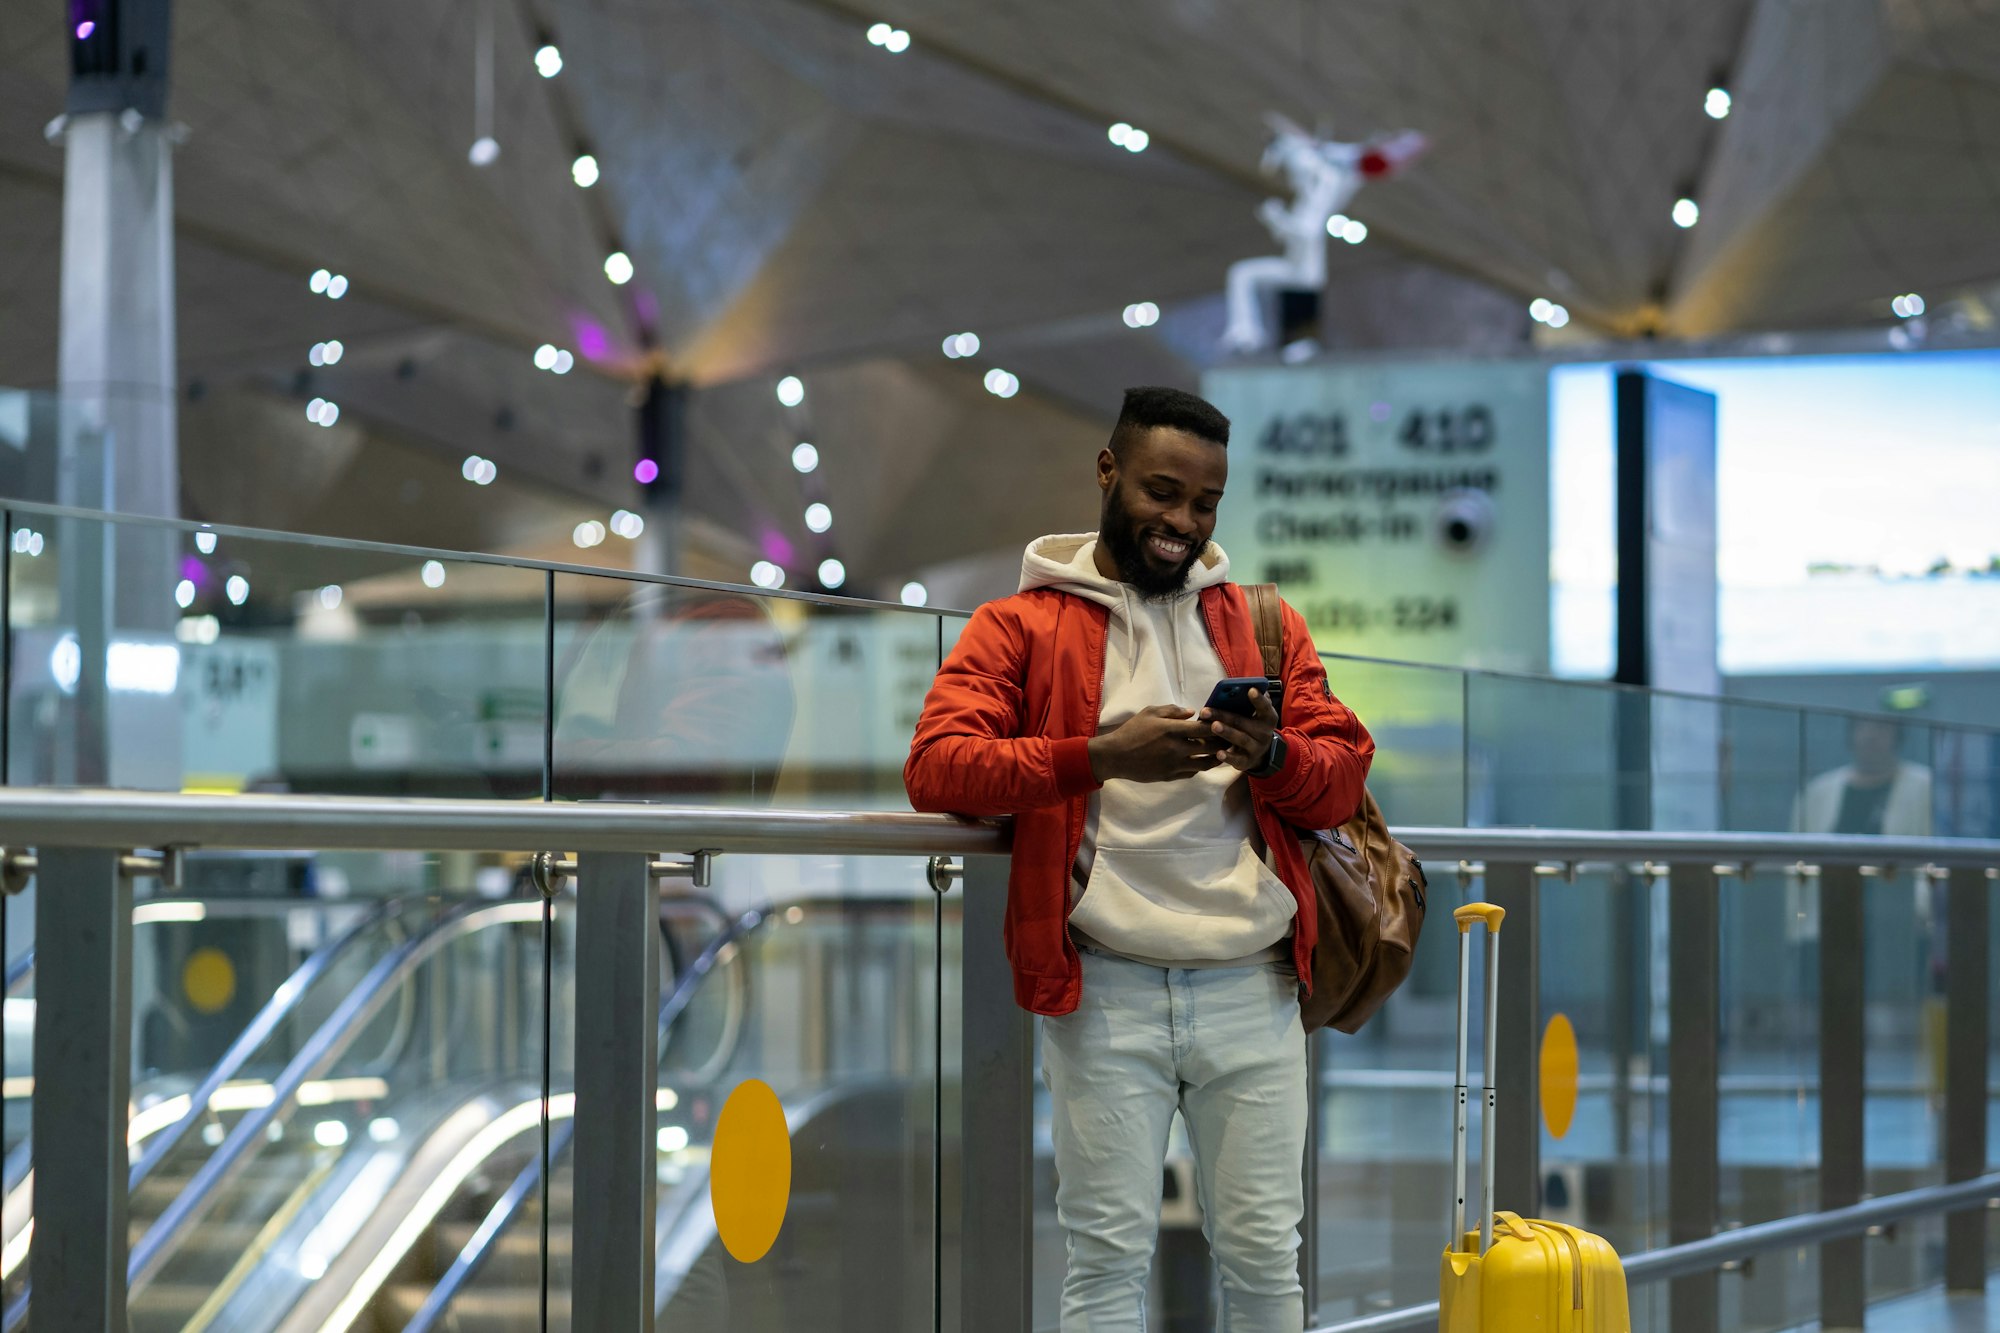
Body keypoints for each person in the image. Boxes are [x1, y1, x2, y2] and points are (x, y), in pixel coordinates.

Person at [904, 386, 1373, 1333]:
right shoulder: (1019, 625)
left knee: (1264, 1262)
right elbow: (938, 766)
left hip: (1254, 981)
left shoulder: (1266, 624)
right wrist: (1101, 755)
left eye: (1206, 504)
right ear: (1108, 473)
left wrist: (1270, 752)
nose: (1184, 524)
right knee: (1107, 1263)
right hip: (1103, 986)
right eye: (1164, 492)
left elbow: (1341, 776)